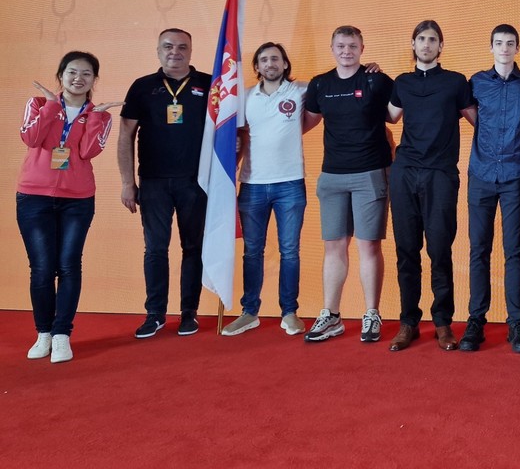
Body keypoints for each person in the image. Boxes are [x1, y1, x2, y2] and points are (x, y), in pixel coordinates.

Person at [17, 52, 120, 363]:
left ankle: (62, 334)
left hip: (77, 199)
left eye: (86, 73)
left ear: (94, 80)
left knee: (69, 265)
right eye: (72, 72)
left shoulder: (100, 116)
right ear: (61, 75)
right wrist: (51, 107)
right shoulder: (38, 104)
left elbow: (88, 152)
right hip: (34, 196)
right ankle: (43, 333)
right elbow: (31, 138)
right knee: (41, 268)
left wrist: (96, 118)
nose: (79, 78)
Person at [387, 20, 476, 351]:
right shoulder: (402, 83)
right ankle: (408, 322)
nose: (426, 44)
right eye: (421, 38)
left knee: (439, 250)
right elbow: (388, 116)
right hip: (405, 172)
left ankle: (442, 323)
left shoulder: (456, 82)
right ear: (413, 44)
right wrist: (369, 77)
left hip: (440, 174)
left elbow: (479, 120)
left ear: (441, 46)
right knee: (406, 250)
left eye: (433, 39)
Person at [303, 26, 394, 343]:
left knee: (368, 246)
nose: (346, 51)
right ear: (332, 48)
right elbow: (303, 123)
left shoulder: (376, 81)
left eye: (352, 46)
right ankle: (331, 315)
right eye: (341, 46)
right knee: (334, 247)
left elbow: (395, 116)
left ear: (362, 49)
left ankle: (371, 313)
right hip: (332, 176)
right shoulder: (320, 84)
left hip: (370, 173)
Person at [119, 28, 212, 338]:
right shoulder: (142, 87)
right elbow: (125, 135)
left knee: (193, 247)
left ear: (191, 51)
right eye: (168, 46)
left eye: (182, 47)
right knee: (155, 249)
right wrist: (127, 182)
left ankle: (188, 313)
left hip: (195, 181)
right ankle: (155, 314)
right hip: (153, 182)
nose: (175, 52)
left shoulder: (210, 84)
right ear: (158, 51)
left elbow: (227, 130)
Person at [459, 24, 520, 353]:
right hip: (481, 175)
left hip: (515, 176)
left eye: (510, 43)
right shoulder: (476, 83)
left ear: (517, 48)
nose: (504, 48)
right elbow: (463, 112)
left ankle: (516, 322)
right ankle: (476, 320)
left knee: (514, 250)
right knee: (478, 249)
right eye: (498, 43)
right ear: (490, 47)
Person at [222, 42, 311, 337]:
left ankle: (290, 312)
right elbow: (233, 134)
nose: (270, 63)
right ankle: (249, 312)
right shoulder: (245, 97)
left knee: (290, 251)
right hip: (252, 185)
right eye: (263, 60)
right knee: (252, 252)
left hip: (290, 183)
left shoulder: (301, 90)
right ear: (257, 67)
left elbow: (337, 82)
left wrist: (369, 69)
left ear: (285, 64)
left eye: (275, 58)